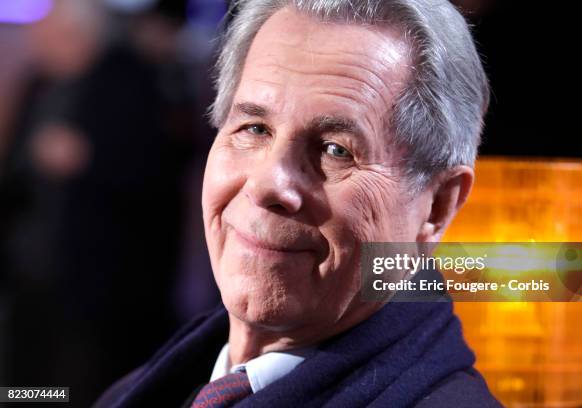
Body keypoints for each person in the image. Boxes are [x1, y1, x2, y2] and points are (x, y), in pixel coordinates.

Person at [95, 0, 500, 406]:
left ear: (437, 207)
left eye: (335, 150)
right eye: (254, 128)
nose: (269, 185)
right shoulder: (132, 393)